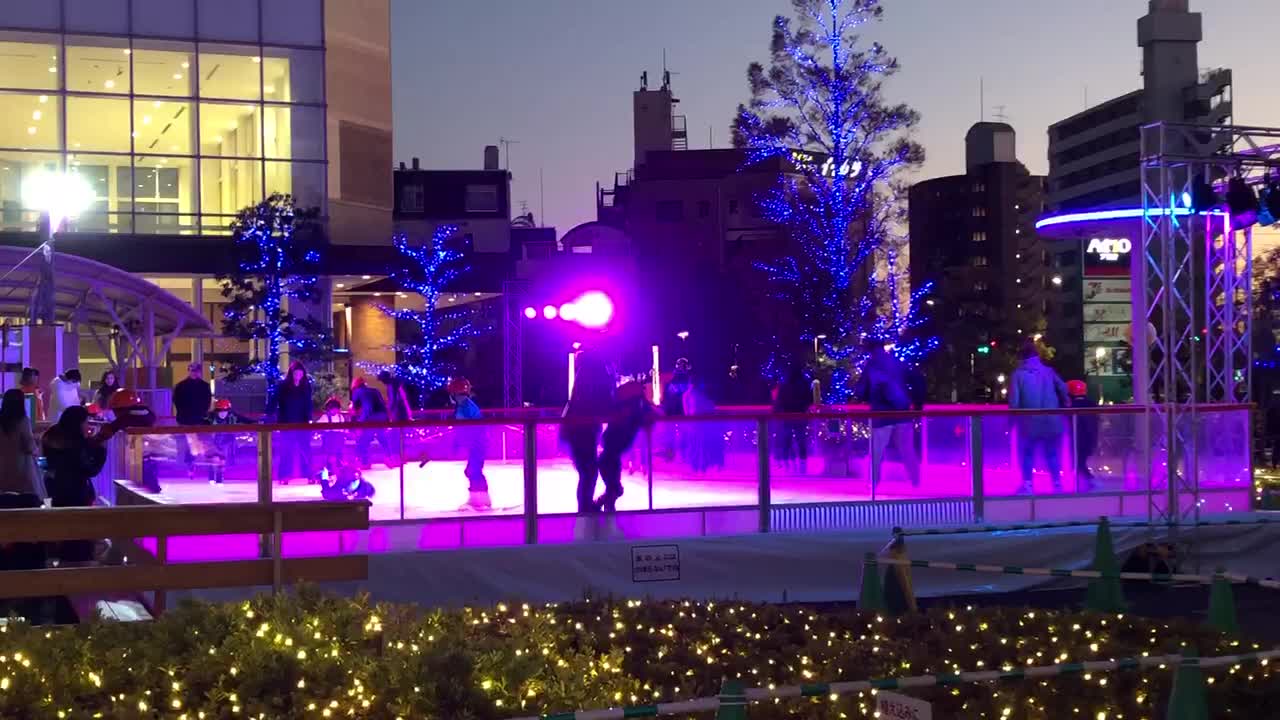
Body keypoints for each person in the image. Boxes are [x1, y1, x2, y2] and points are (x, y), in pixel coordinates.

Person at [42, 406, 123, 562]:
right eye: (86, 422)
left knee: (62, 531)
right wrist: (101, 449)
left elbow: (49, 460)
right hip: (77, 493)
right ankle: (80, 571)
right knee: (79, 536)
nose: (88, 426)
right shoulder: (76, 443)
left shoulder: (51, 435)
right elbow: (90, 469)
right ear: (77, 423)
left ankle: (61, 564)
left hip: (54, 489)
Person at [855, 337, 924, 487]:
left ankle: (874, 484)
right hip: (902, 413)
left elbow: (860, 391)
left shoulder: (872, 366)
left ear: (871, 350)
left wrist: (864, 396)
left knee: (877, 452)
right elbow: (916, 381)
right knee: (907, 450)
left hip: (881, 415)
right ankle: (916, 482)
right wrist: (917, 406)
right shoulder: (898, 363)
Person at [1009, 338, 1069, 494]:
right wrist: (1066, 401)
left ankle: (1028, 485)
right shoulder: (1048, 371)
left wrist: (1011, 421)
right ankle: (1057, 484)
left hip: (1030, 422)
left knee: (1027, 453)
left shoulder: (1018, 375)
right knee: (1052, 454)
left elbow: (1014, 402)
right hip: (1052, 420)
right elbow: (1063, 386)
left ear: (1021, 357)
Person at [596, 374, 660, 512]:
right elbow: (650, 415)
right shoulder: (630, 408)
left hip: (614, 449)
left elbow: (651, 415)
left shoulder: (633, 408)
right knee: (612, 480)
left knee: (611, 479)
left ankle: (607, 500)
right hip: (612, 450)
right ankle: (605, 500)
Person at [562, 350, 615, 514]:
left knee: (588, 472)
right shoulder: (594, 375)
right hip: (582, 430)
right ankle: (585, 510)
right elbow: (606, 403)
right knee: (589, 472)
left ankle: (586, 508)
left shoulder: (583, 375)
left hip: (578, 430)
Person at [448, 377, 491, 511]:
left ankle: (480, 499)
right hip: (475, 443)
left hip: (478, 443)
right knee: (472, 470)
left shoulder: (466, 406)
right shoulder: (464, 406)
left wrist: (459, 442)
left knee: (473, 470)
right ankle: (479, 497)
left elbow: (468, 427)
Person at [268, 361, 313, 483]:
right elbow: (274, 400)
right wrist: (269, 415)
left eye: (300, 373)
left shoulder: (306, 386)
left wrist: (309, 419)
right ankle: (284, 476)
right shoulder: (283, 386)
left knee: (305, 450)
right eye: (296, 373)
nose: (298, 375)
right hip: (287, 423)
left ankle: (309, 475)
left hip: (302, 423)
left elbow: (309, 403)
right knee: (287, 451)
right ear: (291, 374)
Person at [0, 388, 42, 498]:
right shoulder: (23, 420)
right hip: (21, 465)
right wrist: (37, 449)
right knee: (24, 501)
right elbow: (29, 446)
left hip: (2, 465)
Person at [172, 362, 212, 476]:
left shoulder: (203, 386)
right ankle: (190, 465)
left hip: (196, 419)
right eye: (192, 370)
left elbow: (206, 402)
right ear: (189, 371)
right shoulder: (181, 386)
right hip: (186, 419)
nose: (194, 373)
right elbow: (177, 401)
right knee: (187, 444)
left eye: (196, 371)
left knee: (197, 444)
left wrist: (201, 413)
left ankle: (194, 465)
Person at [773, 366, 813, 472]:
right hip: (800, 416)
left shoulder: (784, 385)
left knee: (786, 440)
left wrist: (777, 411)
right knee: (801, 440)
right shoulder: (804, 384)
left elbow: (779, 401)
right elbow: (809, 399)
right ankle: (802, 465)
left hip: (787, 416)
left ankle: (787, 464)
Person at [350, 376, 396, 468]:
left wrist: (358, 422)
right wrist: (387, 419)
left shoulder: (357, 392)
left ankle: (364, 461)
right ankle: (389, 458)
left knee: (364, 440)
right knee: (383, 438)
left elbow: (356, 409)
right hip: (381, 418)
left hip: (370, 418)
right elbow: (383, 406)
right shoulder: (375, 390)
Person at [682, 373, 723, 473]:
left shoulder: (694, 394)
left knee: (699, 444)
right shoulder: (690, 394)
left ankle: (700, 465)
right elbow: (688, 410)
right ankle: (698, 465)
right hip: (696, 423)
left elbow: (708, 407)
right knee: (697, 444)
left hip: (700, 423)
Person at [205, 398, 249, 485]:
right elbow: (201, 422)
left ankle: (219, 478)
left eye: (225, 411)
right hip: (212, 441)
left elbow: (245, 420)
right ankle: (211, 476)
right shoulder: (210, 417)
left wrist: (258, 422)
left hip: (225, 441)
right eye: (220, 411)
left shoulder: (232, 416)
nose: (222, 413)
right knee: (212, 459)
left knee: (221, 459)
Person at [1066, 380, 1099, 493]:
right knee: (1081, 460)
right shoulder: (1092, 404)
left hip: (1077, 439)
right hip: (1090, 438)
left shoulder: (1070, 407)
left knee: (1078, 461)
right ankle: (1086, 480)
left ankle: (1087, 481)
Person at [314, 396, 348, 476]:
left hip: (339, 440)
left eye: (336, 409)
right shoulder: (325, 417)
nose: (335, 411)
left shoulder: (340, 417)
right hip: (329, 441)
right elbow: (318, 426)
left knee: (339, 455)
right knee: (330, 456)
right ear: (329, 409)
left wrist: (346, 433)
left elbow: (344, 428)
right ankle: (329, 470)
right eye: (333, 409)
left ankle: (340, 470)